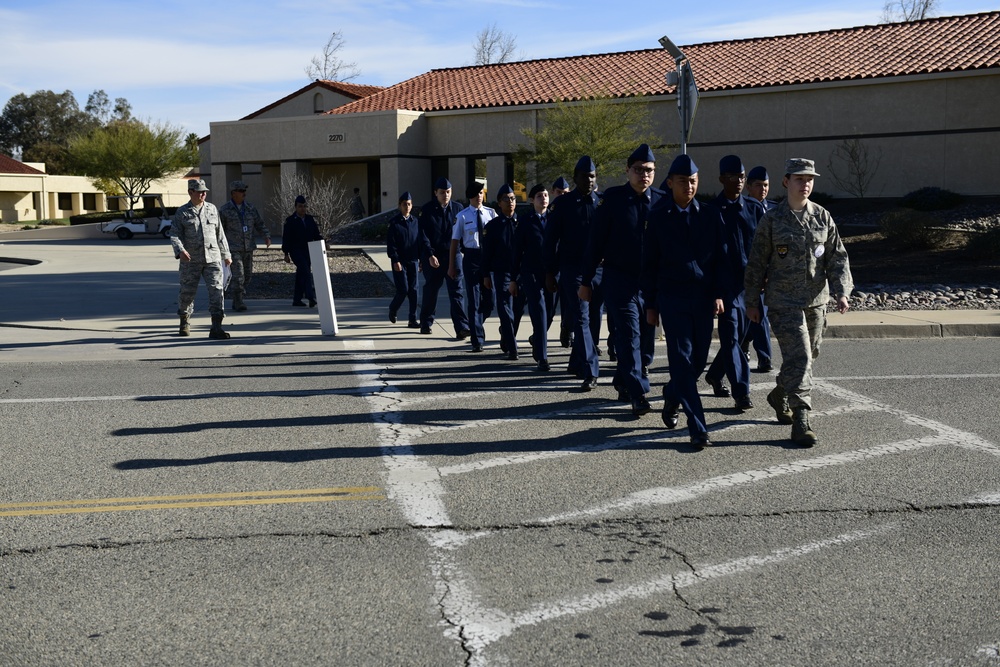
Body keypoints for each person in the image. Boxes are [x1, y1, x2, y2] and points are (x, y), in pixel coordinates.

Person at [745, 158, 854, 447]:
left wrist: (842, 291)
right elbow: (756, 263)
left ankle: (779, 393)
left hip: (816, 300)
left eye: (809, 179)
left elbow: (837, 257)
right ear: (786, 181)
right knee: (801, 357)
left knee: (810, 354)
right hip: (783, 302)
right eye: (799, 179)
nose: (805, 184)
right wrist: (752, 301)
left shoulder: (822, 217)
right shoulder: (772, 219)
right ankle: (801, 418)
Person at [643, 155, 727, 448]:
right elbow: (650, 263)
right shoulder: (658, 217)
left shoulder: (711, 215)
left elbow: (720, 259)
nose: (689, 186)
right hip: (672, 298)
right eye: (682, 181)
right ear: (670, 184)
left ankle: (672, 395)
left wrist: (718, 293)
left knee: (698, 361)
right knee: (681, 360)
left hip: (703, 298)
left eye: (693, 181)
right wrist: (651, 305)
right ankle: (698, 427)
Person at [581, 144, 661, 416]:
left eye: (649, 170)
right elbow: (595, 243)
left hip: (650, 284)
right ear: (627, 171)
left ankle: (623, 380)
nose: (644, 175)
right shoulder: (612, 200)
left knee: (647, 340)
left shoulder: (661, 201)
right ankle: (639, 393)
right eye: (638, 170)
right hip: (619, 279)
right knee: (629, 336)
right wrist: (586, 280)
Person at [703, 156, 766, 411]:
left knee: (740, 339)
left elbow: (764, 247)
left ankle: (715, 375)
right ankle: (742, 392)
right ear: (721, 179)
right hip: (725, 286)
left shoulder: (754, 208)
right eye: (732, 177)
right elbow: (707, 255)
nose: (738, 181)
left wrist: (766, 275)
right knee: (730, 339)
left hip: (749, 286)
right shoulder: (710, 211)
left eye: (741, 177)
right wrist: (714, 291)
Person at [544, 156, 602, 390]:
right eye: (585, 176)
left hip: (598, 270)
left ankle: (576, 361)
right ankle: (591, 369)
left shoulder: (602, 202)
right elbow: (549, 241)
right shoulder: (564, 204)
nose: (589, 180)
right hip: (573, 269)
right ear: (575, 177)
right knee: (581, 317)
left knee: (593, 319)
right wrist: (550, 272)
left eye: (592, 176)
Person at [170, 178, 233, 339]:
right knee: (187, 292)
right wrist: (180, 251)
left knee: (217, 291)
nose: (203, 194)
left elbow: (220, 234)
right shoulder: (183, 212)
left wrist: (226, 254)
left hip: (212, 258)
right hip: (191, 260)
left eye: (205, 191)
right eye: (200, 191)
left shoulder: (212, 209)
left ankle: (216, 326)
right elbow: (174, 234)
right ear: (190, 192)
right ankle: (184, 321)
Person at [417, 178, 469, 338]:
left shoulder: (458, 209)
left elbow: (463, 233)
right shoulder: (427, 210)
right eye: (442, 193)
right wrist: (429, 255)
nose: (445, 195)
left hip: (453, 255)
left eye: (448, 192)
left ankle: (461, 327)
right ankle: (426, 322)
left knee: (457, 292)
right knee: (431, 291)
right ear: (436, 193)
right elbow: (422, 235)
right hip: (434, 257)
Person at [448, 181, 497, 352]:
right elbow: (454, 242)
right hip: (471, 259)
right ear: (470, 197)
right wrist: (451, 266)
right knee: (474, 300)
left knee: (490, 301)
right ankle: (478, 339)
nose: (479, 197)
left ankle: (474, 324)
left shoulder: (491, 213)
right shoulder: (462, 216)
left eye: (481, 193)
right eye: (476, 194)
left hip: (488, 259)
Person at [512, 183, 553, 371]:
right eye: (539, 196)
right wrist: (514, 278)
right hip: (531, 273)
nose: (543, 198)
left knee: (550, 312)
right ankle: (543, 359)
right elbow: (517, 251)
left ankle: (538, 343)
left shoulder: (554, 219)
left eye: (545, 195)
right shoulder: (526, 221)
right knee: (539, 310)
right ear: (531, 200)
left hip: (552, 273)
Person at [218, 180, 270, 312]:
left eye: (244, 191)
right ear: (233, 193)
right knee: (239, 275)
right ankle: (238, 300)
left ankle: (238, 295)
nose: (244, 193)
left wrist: (266, 235)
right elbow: (219, 230)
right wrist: (221, 249)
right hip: (233, 248)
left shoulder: (250, 208)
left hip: (248, 247)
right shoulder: (224, 210)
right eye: (241, 191)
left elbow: (259, 223)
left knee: (247, 275)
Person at [743, 165, 776, 372]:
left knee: (758, 315)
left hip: (768, 271)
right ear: (748, 187)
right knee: (753, 314)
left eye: (766, 185)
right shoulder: (743, 207)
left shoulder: (775, 209)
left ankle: (759, 354)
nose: (763, 189)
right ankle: (755, 352)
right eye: (758, 185)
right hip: (748, 270)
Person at [481, 184, 519, 359]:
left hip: (520, 273)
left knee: (516, 311)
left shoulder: (522, 222)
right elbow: (486, 253)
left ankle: (506, 333)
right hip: (501, 272)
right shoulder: (493, 226)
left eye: (512, 198)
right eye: (506, 199)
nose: (510, 202)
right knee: (504, 309)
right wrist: (486, 274)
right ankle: (512, 347)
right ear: (499, 203)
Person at [386, 191, 421, 327]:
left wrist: (421, 260)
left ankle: (412, 319)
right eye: (404, 204)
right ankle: (393, 309)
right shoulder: (394, 223)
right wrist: (395, 260)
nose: (407, 207)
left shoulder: (415, 222)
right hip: (400, 261)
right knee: (403, 289)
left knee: (414, 290)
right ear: (399, 205)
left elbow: (419, 242)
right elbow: (391, 244)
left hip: (413, 260)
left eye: (409, 204)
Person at [281, 195, 322, 308]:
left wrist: (324, 243)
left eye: (304, 206)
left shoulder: (310, 219)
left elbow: (316, 235)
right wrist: (286, 254)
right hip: (296, 251)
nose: (302, 209)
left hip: (308, 251)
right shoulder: (290, 221)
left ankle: (297, 299)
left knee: (302, 273)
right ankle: (310, 297)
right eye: (300, 206)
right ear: (295, 207)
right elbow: (286, 238)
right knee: (305, 271)